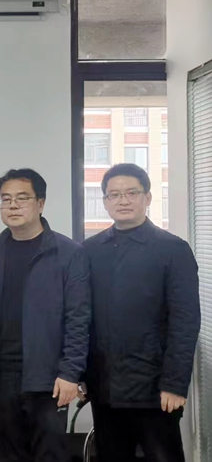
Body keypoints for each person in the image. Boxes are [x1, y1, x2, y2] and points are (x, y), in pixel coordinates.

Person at [0, 169, 91, 462]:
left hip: (48, 378)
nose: (12, 205)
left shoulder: (68, 253)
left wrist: (70, 373)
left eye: (22, 198)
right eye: (5, 199)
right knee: (9, 454)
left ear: (41, 203)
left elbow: (79, 319)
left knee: (50, 455)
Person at [83, 163, 200, 462]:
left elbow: (185, 323)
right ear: (105, 201)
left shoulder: (173, 250)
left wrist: (175, 384)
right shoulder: (90, 250)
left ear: (147, 197)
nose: (123, 200)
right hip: (105, 387)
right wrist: (81, 375)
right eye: (114, 194)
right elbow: (82, 318)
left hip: (155, 389)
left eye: (131, 193)